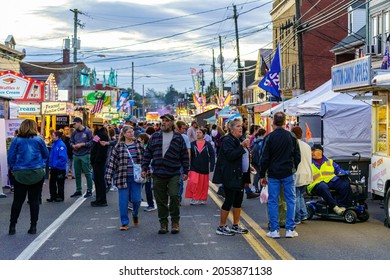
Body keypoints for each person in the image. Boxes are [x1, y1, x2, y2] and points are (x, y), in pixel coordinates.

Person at [141, 113, 189, 234]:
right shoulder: (155, 137)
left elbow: (184, 155)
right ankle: (163, 223)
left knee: (174, 196)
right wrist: (144, 168)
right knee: (160, 200)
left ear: (172, 123)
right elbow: (148, 153)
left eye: (167, 121)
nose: (164, 123)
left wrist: (186, 170)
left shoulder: (178, 137)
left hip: (173, 172)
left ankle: (175, 222)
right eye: (162, 120)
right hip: (158, 173)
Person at [260, 112, 301, 239]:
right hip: (288, 172)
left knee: (273, 201)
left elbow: (264, 158)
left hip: (273, 173)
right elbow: (297, 156)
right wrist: (293, 167)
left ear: (273, 122)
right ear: (285, 122)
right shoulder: (291, 137)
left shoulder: (269, 137)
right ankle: (290, 229)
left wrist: (262, 174)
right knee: (290, 200)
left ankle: (274, 230)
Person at [7, 119, 49, 235]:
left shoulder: (16, 140)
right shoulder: (39, 140)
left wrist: (13, 169)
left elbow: (11, 157)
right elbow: (46, 154)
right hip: (36, 171)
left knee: (18, 200)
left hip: (20, 172)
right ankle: (33, 226)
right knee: (34, 200)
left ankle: (12, 225)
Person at [212, 118, 250, 236]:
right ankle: (221, 226)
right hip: (230, 175)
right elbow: (230, 156)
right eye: (238, 126)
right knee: (229, 200)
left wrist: (250, 166)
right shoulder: (228, 140)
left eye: (241, 126)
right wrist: (242, 146)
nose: (241, 128)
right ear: (232, 129)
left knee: (238, 201)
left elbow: (243, 157)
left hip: (240, 175)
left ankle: (235, 225)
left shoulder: (239, 139)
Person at [105, 125, 145, 230]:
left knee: (136, 200)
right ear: (124, 134)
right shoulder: (118, 147)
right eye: (129, 132)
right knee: (123, 202)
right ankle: (124, 222)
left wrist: (146, 171)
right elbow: (112, 162)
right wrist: (108, 176)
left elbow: (145, 160)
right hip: (122, 177)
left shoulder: (139, 145)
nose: (131, 133)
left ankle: (135, 214)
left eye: (132, 132)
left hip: (136, 178)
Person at [307, 143, 351, 216]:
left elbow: (338, 170)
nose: (312, 152)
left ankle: (342, 206)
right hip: (316, 184)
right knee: (323, 186)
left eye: (314, 150)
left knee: (344, 184)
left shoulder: (329, 161)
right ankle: (335, 208)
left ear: (320, 152)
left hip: (331, 181)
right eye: (311, 151)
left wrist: (344, 172)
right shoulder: (309, 162)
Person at [185, 128, 215, 205]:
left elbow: (212, 155)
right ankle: (194, 198)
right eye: (197, 132)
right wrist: (187, 166)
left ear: (204, 135)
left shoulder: (208, 144)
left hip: (204, 167)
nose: (198, 134)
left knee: (203, 184)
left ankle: (202, 198)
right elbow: (188, 155)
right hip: (194, 167)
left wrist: (212, 165)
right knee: (193, 183)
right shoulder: (192, 144)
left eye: (200, 132)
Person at [290, 126, 312, 224]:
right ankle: (304, 214)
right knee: (300, 195)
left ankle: (297, 217)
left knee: (295, 196)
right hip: (307, 173)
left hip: (297, 173)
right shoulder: (307, 146)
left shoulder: (293, 144)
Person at [69, 117, 94, 198]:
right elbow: (71, 141)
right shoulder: (74, 132)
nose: (74, 125)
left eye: (74, 123)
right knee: (77, 173)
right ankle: (78, 190)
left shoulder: (88, 131)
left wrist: (82, 144)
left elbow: (92, 142)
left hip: (85, 154)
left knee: (87, 173)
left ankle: (89, 190)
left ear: (79, 123)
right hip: (76, 154)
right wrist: (73, 145)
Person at [90, 118, 109, 207]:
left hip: (99, 161)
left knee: (99, 180)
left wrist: (95, 160)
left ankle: (101, 200)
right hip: (97, 161)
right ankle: (99, 199)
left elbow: (100, 150)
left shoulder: (102, 134)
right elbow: (94, 145)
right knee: (98, 180)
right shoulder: (100, 134)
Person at [137, 133, 156, 212]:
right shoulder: (147, 147)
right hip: (146, 169)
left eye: (139, 139)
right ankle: (150, 204)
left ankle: (150, 204)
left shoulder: (143, 147)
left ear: (142, 140)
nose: (137, 140)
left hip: (144, 170)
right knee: (146, 188)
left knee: (143, 188)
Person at [47, 131, 68, 202]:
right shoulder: (54, 144)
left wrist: (55, 164)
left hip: (60, 168)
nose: (52, 137)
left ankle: (60, 196)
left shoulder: (61, 145)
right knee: (52, 183)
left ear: (57, 136)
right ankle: (53, 196)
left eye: (53, 135)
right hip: (54, 167)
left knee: (60, 183)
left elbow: (63, 158)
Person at [175, 120, 191, 203]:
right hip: (171, 162)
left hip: (181, 162)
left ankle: (178, 197)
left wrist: (188, 164)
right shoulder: (170, 136)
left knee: (180, 181)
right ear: (178, 128)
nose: (184, 130)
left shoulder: (185, 137)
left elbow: (188, 151)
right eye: (183, 128)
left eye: (185, 128)